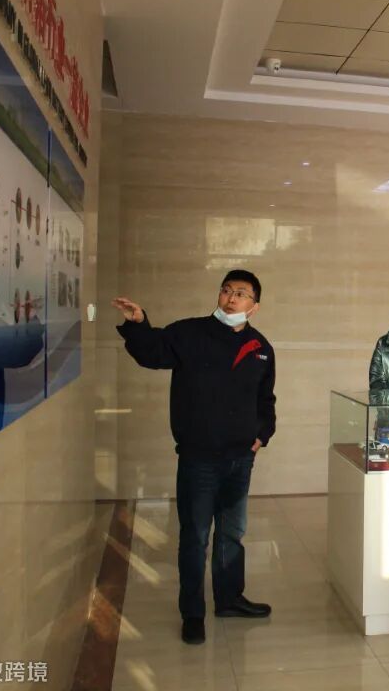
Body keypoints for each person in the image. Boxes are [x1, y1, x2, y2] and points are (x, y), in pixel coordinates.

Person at [113, 270, 275, 645]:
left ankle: (229, 599)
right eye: (226, 291)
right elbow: (152, 352)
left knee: (232, 533)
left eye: (241, 294)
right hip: (198, 459)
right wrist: (138, 323)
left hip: (240, 459)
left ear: (254, 306)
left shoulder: (261, 348)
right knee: (195, 536)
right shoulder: (190, 333)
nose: (231, 298)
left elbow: (265, 400)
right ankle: (192, 613)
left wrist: (260, 436)